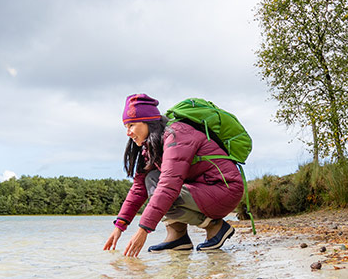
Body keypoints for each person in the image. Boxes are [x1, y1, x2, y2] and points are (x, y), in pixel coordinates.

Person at [103, 93, 244, 257]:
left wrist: (143, 230)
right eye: (126, 127)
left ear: (148, 121)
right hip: (203, 189)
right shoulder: (152, 146)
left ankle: (215, 227)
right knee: (150, 179)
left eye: (132, 125)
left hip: (224, 189)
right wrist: (119, 227)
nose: (128, 133)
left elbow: (169, 186)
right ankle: (178, 237)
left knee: (163, 191)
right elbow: (139, 187)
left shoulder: (177, 135)